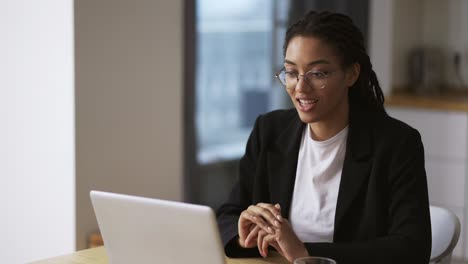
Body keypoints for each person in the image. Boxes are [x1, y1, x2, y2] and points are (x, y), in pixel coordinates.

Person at [216, 10, 431, 264]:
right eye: (292, 72)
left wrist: (304, 252)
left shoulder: (396, 144)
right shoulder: (269, 130)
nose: (300, 87)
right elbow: (226, 216)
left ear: (351, 74)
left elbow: (411, 248)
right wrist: (243, 236)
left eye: (318, 74)